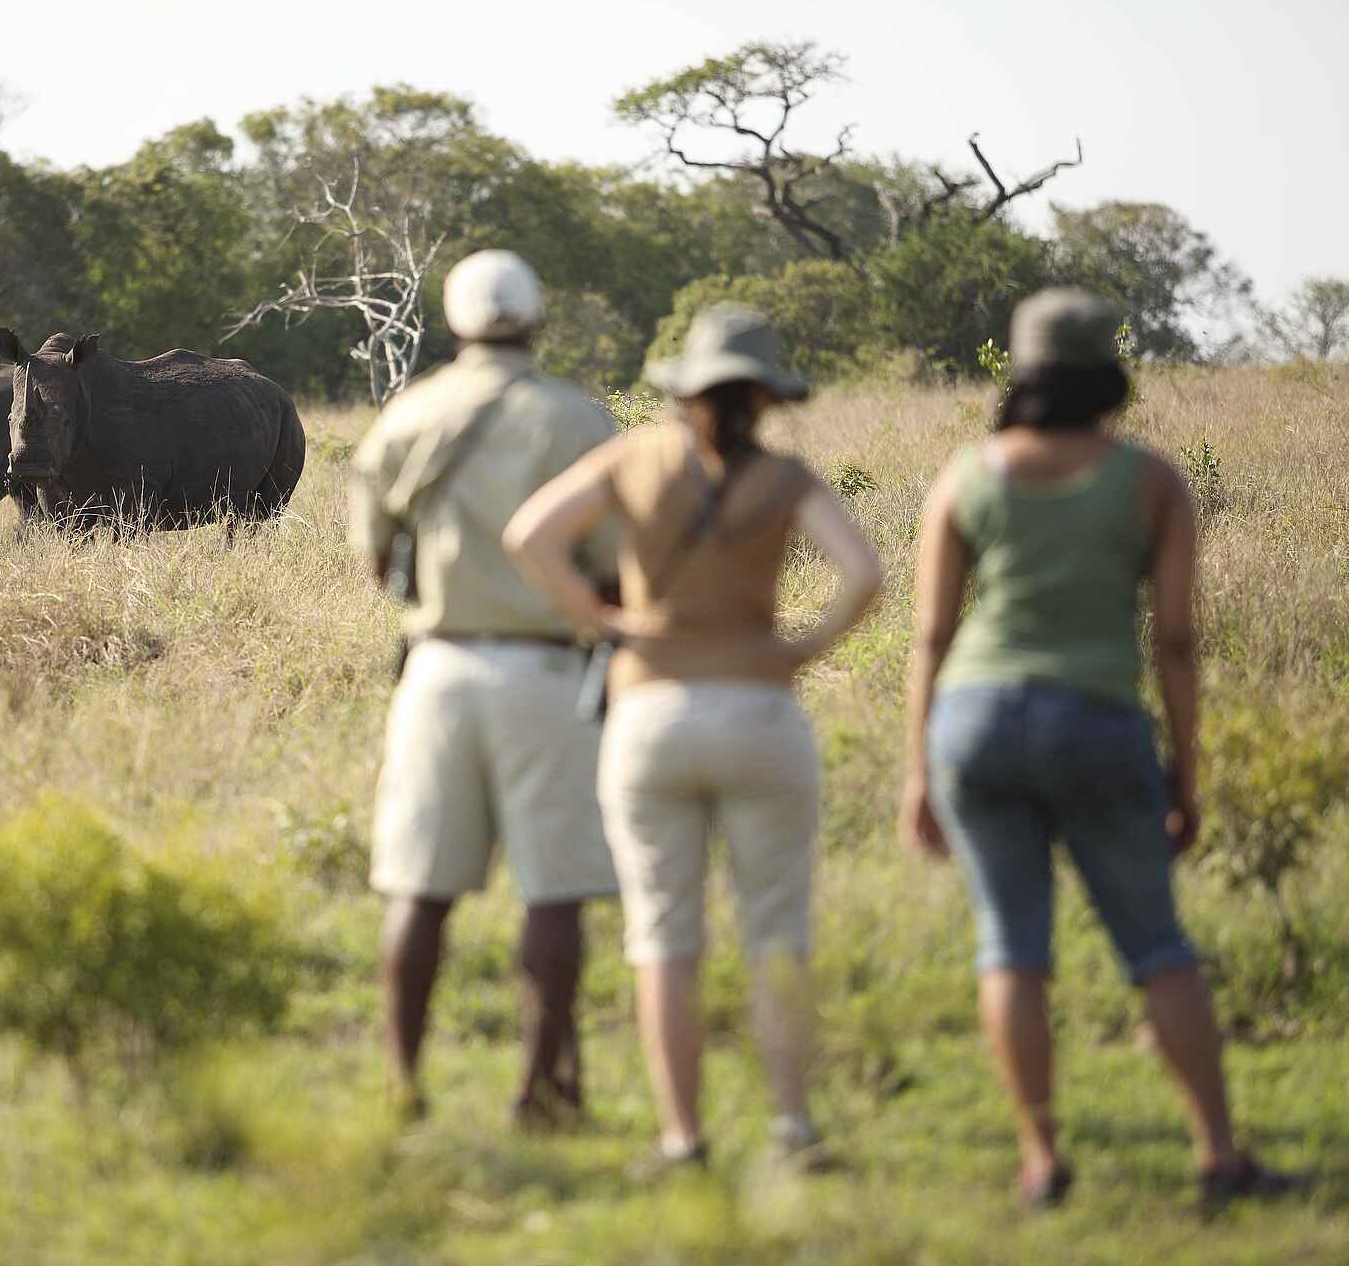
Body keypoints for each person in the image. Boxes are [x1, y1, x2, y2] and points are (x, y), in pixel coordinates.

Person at [901, 288, 1305, 1207]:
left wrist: (919, 770)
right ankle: (1218, 1158)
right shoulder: (1152, 480)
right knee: (1157, 945)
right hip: (1096, 719)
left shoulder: (964, 476)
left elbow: (930, 634)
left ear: (1022, 371)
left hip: (975, 718)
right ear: (1108, 378)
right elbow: (1174, 640)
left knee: (1010, 947)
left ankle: (1042, 1161)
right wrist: (1186, 770)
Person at [505, 304, 882, 1176]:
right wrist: (803, 647)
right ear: (765, 396)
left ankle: (682, 1139)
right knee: (774, 930)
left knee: (663, 938)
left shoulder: (636, 457)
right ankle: (792, 1127)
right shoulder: (787, 477)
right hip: (760, 713)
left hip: (651, 717)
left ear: (685, 390)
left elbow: (529, 536)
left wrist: (603, 619)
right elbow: (862, 573)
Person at [349, 249, 621, 1126]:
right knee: (553, 892)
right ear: (538, 320)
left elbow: (373, 555)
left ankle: (401, 1086)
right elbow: (616, 568)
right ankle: (540, 1091)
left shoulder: (409, 414)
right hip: (549, 672)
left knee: (419, 887)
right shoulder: (583, 420)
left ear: (455, 321)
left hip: (438, 670)